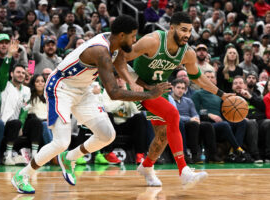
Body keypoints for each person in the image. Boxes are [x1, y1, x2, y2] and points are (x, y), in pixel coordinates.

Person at [11, 15, 170, 194]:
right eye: (133, 36)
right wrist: (149, 94)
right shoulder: (100, 51)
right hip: (60, 88)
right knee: (61, 142)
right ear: (122, 35)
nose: (135, 41)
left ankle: (69, 158)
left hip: (83, 89)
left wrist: (147, 86)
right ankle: (22, 175)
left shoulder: (114, 43)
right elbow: (114, 92)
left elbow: (122, 66)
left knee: (107, 135)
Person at [118, 12, 232, 187]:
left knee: (163, 135)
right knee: (173, 114)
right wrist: (132, 82)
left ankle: (147, 167)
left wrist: (223, 95)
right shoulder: (152, 41)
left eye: (190, 31)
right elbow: (120, 58)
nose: (187, 34)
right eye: (183, 30)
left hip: (158, 89)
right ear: (172, 28)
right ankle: (183, 170)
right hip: (139, 88)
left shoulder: (188, 53)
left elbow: (199, 78)